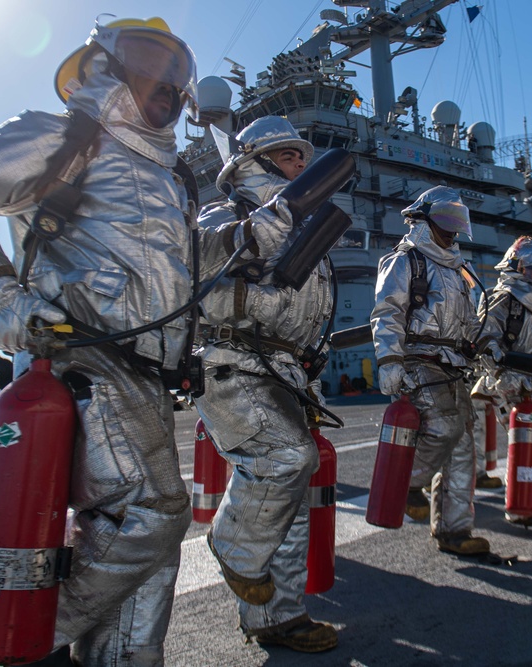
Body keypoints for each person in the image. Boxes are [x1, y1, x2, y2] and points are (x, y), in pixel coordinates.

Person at [0, 17, 268, 665]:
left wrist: (248, 239)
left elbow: (180, 267)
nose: (164, 85)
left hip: (147, 379)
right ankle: (31, 637)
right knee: (153, 515)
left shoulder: (170, 177)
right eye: (145, 61)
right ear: (103, 64)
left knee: (146, 569)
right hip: (83, 360)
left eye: (175, 73)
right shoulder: (68, 137)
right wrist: (0, 298)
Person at [195, 116, 339, 652]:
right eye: (286, 156)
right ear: (252, 161)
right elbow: (197, 266)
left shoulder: (307, 227)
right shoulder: (226, 215)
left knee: (288, 505)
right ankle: (230, 544)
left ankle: (276, 617)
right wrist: (261, 281)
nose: (301, 163)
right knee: (283, 460)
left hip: (288, 369)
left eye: (302, 157)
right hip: (234, 358)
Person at [371, 185, 499, 556]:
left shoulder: (461, 270)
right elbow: (387, 312)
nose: (453, 229)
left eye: (457, 221)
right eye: (446, 220)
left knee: (462, 451)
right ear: (422, 220)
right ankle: (410, 484)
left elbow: (469, 319)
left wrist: (484, 346)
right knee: (444, 427)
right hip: (418, 360)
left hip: (455, 365)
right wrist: (389, 360)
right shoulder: (405, 260)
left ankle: (454, 530)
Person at [473, 237, 532, 525]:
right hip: (507, 380)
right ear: (518, 268)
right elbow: (483, 336)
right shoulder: (504, 297)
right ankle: (528, 502)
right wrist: (501, 372)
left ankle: (528, 497)